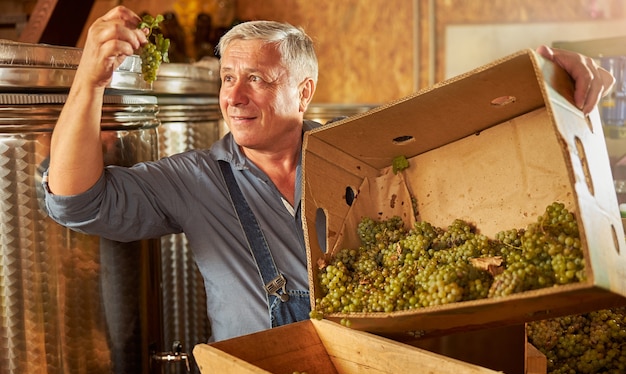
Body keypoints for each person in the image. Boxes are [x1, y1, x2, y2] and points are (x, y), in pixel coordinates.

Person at [43, 6, 615, 342]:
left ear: (304, 90)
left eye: (258, 81)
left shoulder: (369, 152)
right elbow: (77, 202)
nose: (235, 97)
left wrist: (557, 80)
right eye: (227, 78)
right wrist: (90, 82)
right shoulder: (193, 179)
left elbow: (471, 129)